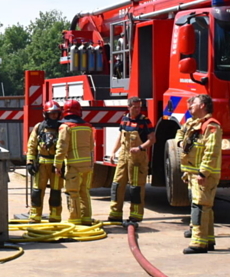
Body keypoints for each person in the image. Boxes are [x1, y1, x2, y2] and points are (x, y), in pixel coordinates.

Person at [175, 93, 222, 254]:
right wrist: (181, 143)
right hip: (193, 173)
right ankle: (207, 240)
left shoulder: (211, 126)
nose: (189, 107)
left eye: (193, 104)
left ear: (202, 105)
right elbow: (179, 134)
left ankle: (198, 243)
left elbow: (211, 152)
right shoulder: (192, 123)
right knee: (205, 206)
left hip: (204, 175)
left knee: (200, 206)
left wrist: (203, 173)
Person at [107, 96, 156, 228]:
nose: (137, 110)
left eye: (139, 107)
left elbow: (152, 139)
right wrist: (113, 152)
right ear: (128, 107)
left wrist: (140, 148)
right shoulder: (124, 119)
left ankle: (135, 216)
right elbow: (120, 136)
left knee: (136, 187)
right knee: (117, 184)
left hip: (137, 159)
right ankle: (115, 214)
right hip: (123, 157)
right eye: (134, 107)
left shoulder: (144, 121)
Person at [55, 100, 96, 225]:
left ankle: (75, 219)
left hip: (74, 165)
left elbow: (62, 147)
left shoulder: (65, 127)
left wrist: (57, 165)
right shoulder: (88, 127)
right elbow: (90, 147)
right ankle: (87, 218)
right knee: (84, 191)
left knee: (73, 192)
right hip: (87, 165)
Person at [25, 101, 64, 222]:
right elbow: (32, 145)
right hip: (41, 165)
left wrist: (62, 164)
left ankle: (55, 216)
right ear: (46, 114)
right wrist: (30, 162)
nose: (54, 116)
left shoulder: (61, 128)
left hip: (55, 166)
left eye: (56, 114)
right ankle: (35, 216)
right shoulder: (39, 127)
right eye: (51, 113)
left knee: (56, 192)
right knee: (37, 191)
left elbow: (65, 146)